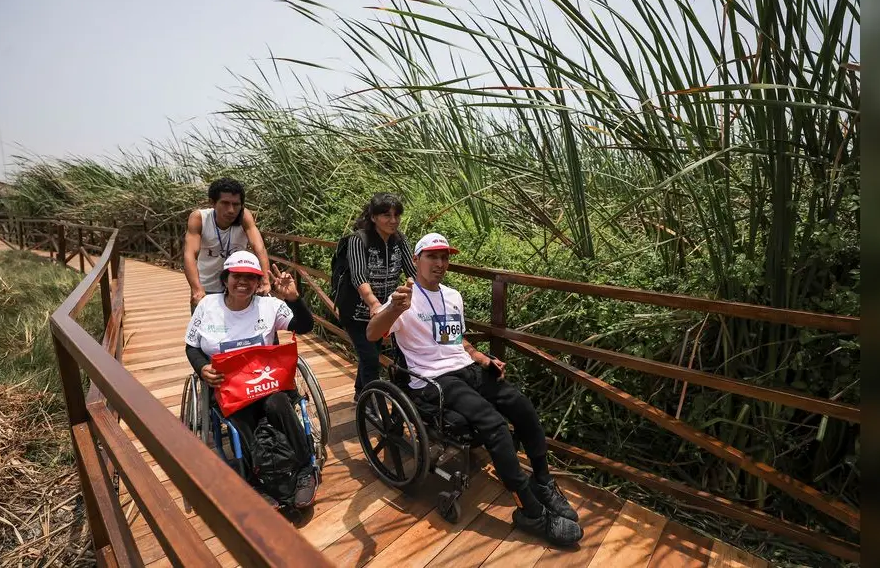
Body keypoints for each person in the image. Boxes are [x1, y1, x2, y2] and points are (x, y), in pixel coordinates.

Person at [366, 233, 582, 547]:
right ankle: (530, 512)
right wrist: (394, 310)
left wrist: (481, 357)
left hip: (467, 370)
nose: (440, 264)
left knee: (522, 406)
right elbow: (373, 334)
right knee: (494, 424)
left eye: (444, 258)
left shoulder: (453, 295)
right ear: (416, 260)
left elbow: (457, 340)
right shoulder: (402, 298)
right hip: (433, 380)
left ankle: (544, 481)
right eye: (432, 257)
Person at [184, 250, 317, 509]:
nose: (243, 282)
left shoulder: (268, 306)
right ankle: (258, 476)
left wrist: (293, 299)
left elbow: (304, 327)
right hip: (229, 388)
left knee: (279, 403)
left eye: (251, 277)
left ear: (258, 283)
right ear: (225, 279)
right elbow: (192, 347)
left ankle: (304, 469)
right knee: (239, 416)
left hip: (268, 385)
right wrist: (202, 369)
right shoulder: (207, 307)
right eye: (237, 276)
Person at [335, 192, 418, 402]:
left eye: (397, 215)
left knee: (369, 354)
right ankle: (373, 406)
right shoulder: (358, 239)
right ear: (373, 217)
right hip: (355, 311)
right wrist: (373, 302)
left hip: (383, 313)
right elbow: (359, 276)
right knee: (371, 359)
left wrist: (430, 294)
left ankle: (360, 394)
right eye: (386, 215)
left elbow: (413, 272)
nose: (393, 221)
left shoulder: (399, 240)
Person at [184, 177, 271, 312]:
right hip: (206, 286)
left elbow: (259, 248)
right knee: (205, 330)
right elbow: (190, 254)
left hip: (237, 286)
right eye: (225, 203)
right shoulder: (199, 218)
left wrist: (265, 281)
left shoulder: (244, 217)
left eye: (236, 205)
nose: (231, 210)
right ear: (212, 203)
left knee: (242, 328)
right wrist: (196, 288)